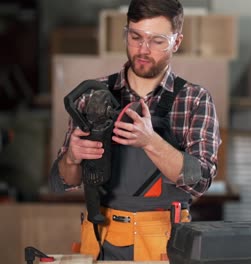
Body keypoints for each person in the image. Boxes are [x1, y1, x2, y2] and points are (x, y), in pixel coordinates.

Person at [49, 0, 221, 261]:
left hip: (165, 244)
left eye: (157, 41)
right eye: (135, 36)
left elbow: (200, 181)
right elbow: (66, 180)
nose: (143, 49)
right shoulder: (94, 95)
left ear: (176, 42)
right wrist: (72, 157)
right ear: (125, 33)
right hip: (100, 238)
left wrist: (151, 142)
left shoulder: (194, 100)